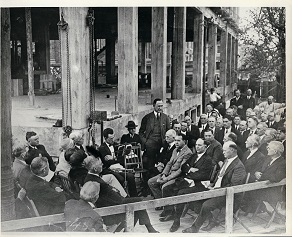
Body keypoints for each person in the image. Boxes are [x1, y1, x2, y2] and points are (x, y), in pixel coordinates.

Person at [182, 141, 246, 233]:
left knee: (206, 204)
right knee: (197, 197)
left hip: (228, 195)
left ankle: (195, 228)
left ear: (232, 150)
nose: (222, 152)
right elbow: (220, 176)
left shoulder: (238, 166)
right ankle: (212, 220)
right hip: (216, 189)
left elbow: (233, 186)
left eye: (224, 150)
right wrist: (211, 184)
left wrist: (216, 189)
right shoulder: (226, 160)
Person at [83, 156, 159, 233]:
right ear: (95, 169)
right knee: (138, 202)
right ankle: (148, 229)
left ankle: (146, 229)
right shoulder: (98, 182)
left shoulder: (90, 178)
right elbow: (119, 200)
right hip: (110, 213)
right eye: (100, 164)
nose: (102, 165)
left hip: (106, 208)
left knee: (136, 204)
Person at [161, 139, 213, 232]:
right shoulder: (193, 156)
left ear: (205, 147)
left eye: (200, 145)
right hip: (187, 181)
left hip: (199, 185)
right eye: (196, 145)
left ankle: (176, 221)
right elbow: (183, 167)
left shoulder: (208, 159)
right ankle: (170, 212)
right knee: (167, 189)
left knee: (181, 193)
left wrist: (189, 174)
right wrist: (190, 169)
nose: (197, 147)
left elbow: (203, 175)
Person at [148, 133, 192, 201]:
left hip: (178, 177)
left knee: (164, 186)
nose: (176, 142)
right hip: (168, 174)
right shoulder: (175, 150)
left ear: (184, 141)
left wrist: (167, 178)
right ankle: (161, 202)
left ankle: (166, 205)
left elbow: (181, 170)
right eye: (175, 140)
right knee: (151, 182)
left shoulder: (188, 153)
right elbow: (169, 163)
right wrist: (164, 174)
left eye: (179, 141)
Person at [99, 128, 137, 197]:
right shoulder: (102, 148)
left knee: (131, 176)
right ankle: (121, 197)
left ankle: (134, 197)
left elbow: (121, 159)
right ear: (105, 138)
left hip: (119, 167)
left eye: (113, 138)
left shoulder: (116, 145)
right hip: (110, 169)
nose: (112, 140)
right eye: (110, 139)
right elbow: (106, 162)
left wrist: (114, 158)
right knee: (121, 179)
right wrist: (116, 159)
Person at [139, 98, 170, 170]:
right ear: (153, 105)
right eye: (158, 106)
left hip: (162, 145)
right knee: (148, 164)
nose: (160, 108)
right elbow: (141, 132)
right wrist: (145, 142)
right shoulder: (147, 118)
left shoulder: (165, 117)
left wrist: (166, 142)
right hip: (150, 146)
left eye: (161, 106)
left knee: (161, 165)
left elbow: (169, 131)